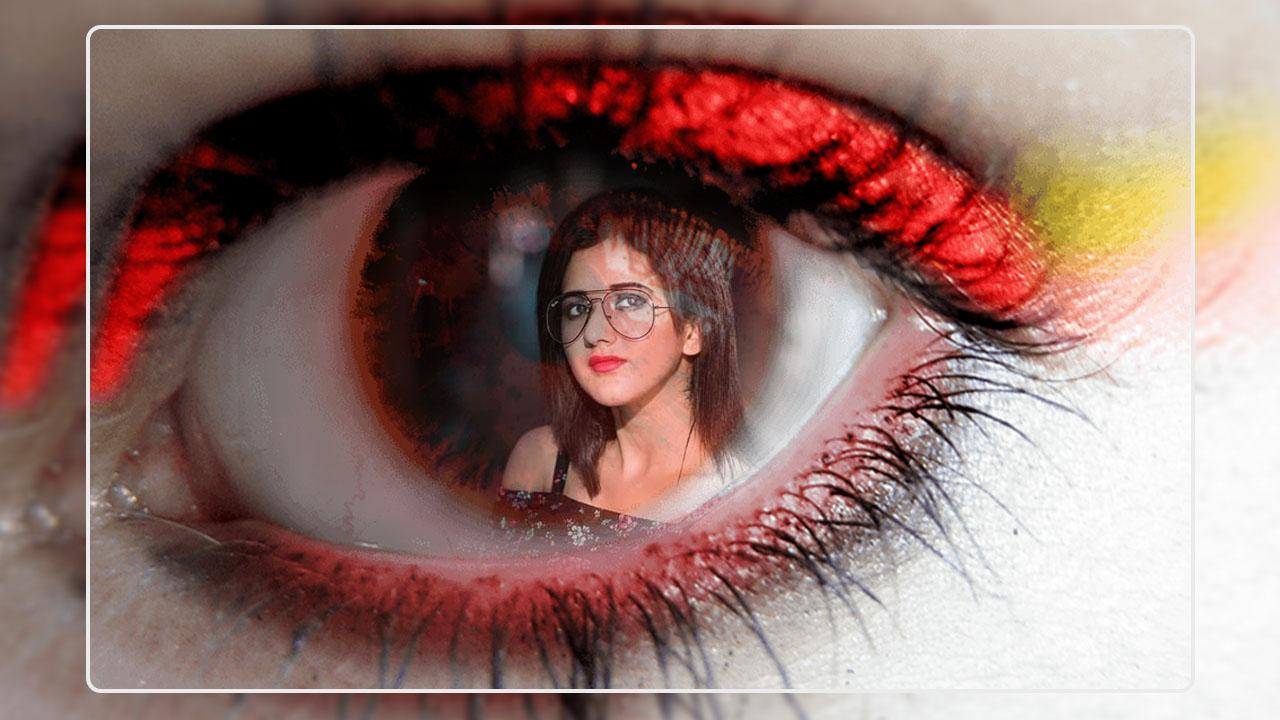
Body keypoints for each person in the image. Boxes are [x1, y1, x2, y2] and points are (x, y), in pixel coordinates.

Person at [498, 189, 747, 525]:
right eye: (578, 308)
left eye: (630, 301)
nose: (594, 332)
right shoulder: (542, 461)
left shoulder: (744, 493)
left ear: (694, 330)